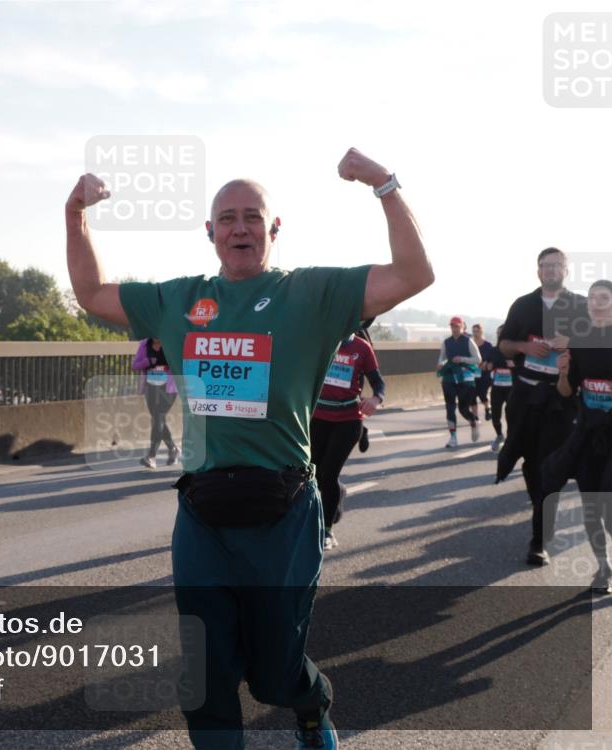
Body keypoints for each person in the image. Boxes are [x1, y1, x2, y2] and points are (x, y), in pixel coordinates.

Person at [65, 147, 434, 750]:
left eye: (252, 217)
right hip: (203, 513)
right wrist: (75, 213)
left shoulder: (314, 294)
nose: (240, 227)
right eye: (228, 218)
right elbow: (90, 293)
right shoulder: (177, 299)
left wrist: (383, 183)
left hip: (284, 509)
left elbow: (414, 274)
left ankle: (311, 704)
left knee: (273, 672)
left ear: (273, 229)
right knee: (205, 675)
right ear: (209, 232)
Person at [496, 247, 590, 566]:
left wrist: (572, 342)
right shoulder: (523, 305)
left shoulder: (579, 305)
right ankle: (540, 504)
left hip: (561, 400)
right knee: (527, 461)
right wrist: (525, 346)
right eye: (544, 266)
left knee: (550, 467)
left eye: (555, 265)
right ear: (538, 272)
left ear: (565, 269)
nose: (550, 271)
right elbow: (504, 345)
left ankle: (539, 540)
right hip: (524, 397)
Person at [544, 280, 612, 594]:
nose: (597, 302)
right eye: (592, 298)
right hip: (587, 433)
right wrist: (562, 373)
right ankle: (603, 567)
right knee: (590, 506)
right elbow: (566, 392)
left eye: (604, 297)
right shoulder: (580, 342)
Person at [310, 326, 385, 550]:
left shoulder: (361, 348)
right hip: (318, 417)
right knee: (313, 473)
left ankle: (327, 531)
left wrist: (376, 399)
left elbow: (378, 382)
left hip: (348, 419)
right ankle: (326, 505)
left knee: (328, 474)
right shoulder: (319, 339)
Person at [133, 337, 180, 468]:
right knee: (158, 419)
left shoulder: (171, 342)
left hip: (169, 388)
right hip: (151, 387)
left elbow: (181, 363)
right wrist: (147, 361)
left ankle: (151, 456)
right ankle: (173, 449)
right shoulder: (144, 344)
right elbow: (135, 365)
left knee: (158, 417)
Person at [437, 315, 482, 449]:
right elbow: (442, 358)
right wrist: (440, 364)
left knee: (463, 409)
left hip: (466, 378)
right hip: (449, 377)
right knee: (450, 408)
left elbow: (478, 359)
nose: (454, 329)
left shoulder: (468, 341)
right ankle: (453, 438)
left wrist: (462, 359)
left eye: (457, 326)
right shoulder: (446, 342)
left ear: (462, 327)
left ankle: (473, 422)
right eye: (452, 326)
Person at [488, 324, 515, 452]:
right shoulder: (494, 350)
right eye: (498, 333)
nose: (500, 335)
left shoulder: (515, 351)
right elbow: (488, 364)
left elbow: (524, 367)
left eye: (502, 333)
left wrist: (514, 365)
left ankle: (511, 439)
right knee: (495, 414)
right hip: (497, 387)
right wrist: (488, 365)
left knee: (511, 414)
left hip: (512, 388)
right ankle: (499, 435)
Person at [470, 323, 494, 423]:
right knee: (471, 394)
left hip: (484, 374)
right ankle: (475, 416)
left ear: (481, 331)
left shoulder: (488, 345)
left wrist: (487, 363)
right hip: (472, 374)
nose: (475, 333)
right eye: (474, 331)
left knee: (482, 393)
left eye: (477, 331)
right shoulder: (470, 344)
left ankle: (487, 409)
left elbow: (493, 358)